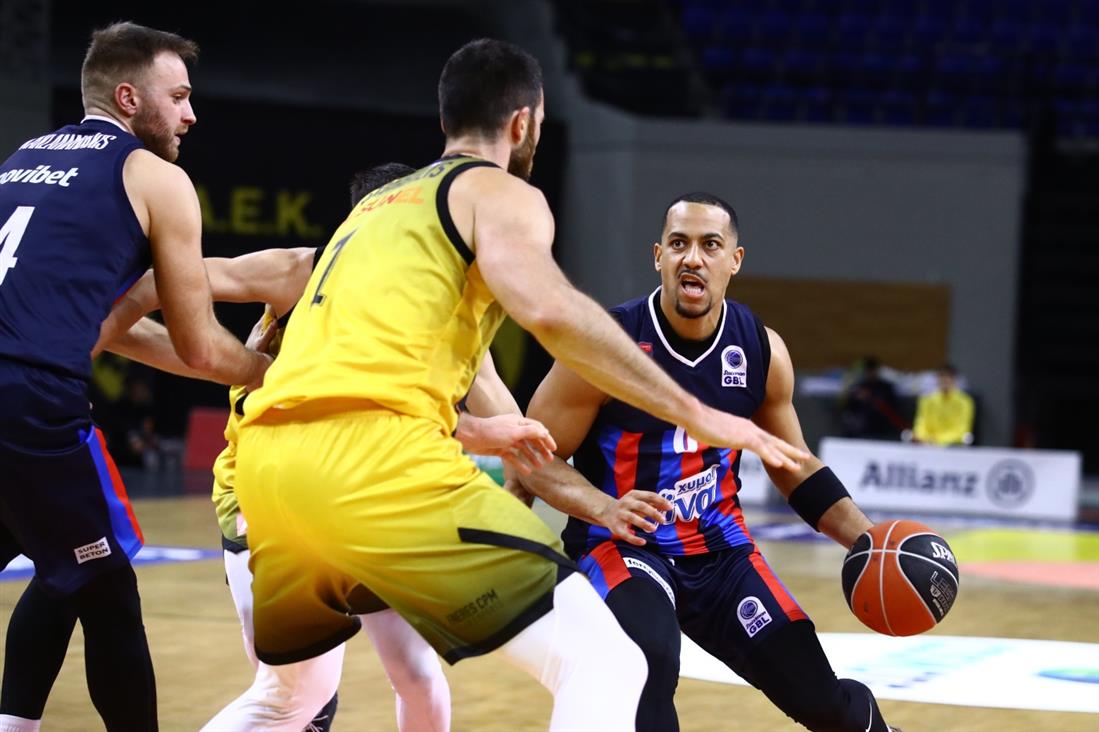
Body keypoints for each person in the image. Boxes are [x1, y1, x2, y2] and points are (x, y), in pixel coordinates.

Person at [206, 38, 807, 732]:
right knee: (606, 663)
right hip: (371, 471)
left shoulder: (367, 219)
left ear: (444, 120)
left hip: (267, 477)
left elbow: (352, 373)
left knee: (289, 701)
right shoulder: (496, 194)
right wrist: (693, 409)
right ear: (523, 123)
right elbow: (552, 311)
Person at [94, 162, 556, 732]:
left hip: (368, 500)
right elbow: (164, 285)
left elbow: (500, 419)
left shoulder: (441, 298)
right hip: (268, 504)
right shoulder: (300, 270)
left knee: (412, 674)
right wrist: (97, 329)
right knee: (296, 701)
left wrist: (548, 487)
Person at [521, 192, 901, 732]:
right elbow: (533, 456)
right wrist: (603, 507)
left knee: (818, 695)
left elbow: (793, 465)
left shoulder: (761, 352)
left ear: (734, 261)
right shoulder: (603, 345)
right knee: (646, 660)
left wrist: (871, 541)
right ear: (658, 257)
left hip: (719, 552)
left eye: (709, 245)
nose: (691, 258)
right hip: (626, 546)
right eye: (678, 244)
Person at [0, 21, 272, 732]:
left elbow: (109, 333)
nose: (190, 114)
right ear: (128, 97)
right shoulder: (156, 178)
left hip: (22, 384)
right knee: (107, 585)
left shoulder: (22, 158)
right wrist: (282, 372)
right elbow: (205, 349)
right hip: (27, 398)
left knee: (60, 564)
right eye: (177, 96)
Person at [839, 356, 905, 441]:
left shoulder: (886, 388)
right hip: (860, 430)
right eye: (868, 370)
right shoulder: (858, 387)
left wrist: (872, 397)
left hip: (882, 429)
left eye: (873, 370)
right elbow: (847, 408)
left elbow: (894, 409)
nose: (871, 373)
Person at [912, 363, 974, 446]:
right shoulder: (927, 400)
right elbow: (921, 423)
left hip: (953, 447)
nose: (944, 381)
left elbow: (961, 430)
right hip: (927, 445)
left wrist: (938, 440)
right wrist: (921, 437)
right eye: (941, 377)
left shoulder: (964, 402)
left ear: (953, 379)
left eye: (947, 377)